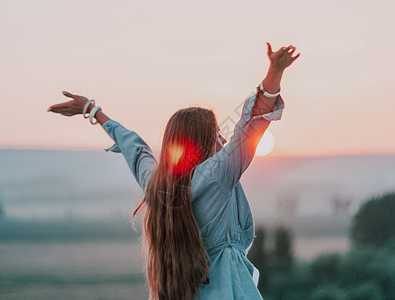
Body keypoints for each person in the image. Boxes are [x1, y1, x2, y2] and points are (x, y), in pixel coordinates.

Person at [48, 42, 300, 300]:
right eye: (217, 134)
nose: (223, 141)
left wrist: (92, 110)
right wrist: (275, 72)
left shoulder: (158, 186)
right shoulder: (217, 175)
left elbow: (135, 149)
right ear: (204, 142)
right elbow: (249, 130)